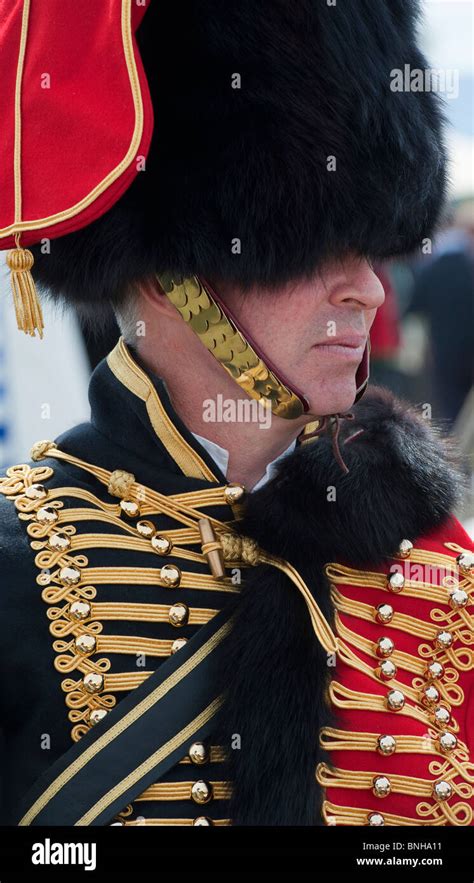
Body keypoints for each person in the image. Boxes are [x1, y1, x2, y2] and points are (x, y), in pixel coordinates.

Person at [0, 0, 472, 828]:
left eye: (370, 247)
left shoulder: (442, 560)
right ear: (167, 271)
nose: (367, 288)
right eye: (313, 247)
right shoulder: (14, 570)